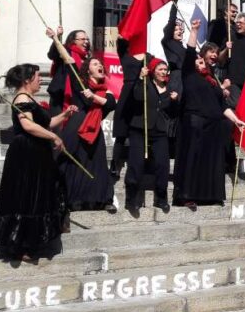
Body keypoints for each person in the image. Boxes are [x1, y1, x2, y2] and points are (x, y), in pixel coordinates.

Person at [0, 64, 74, 260]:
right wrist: (54, 138)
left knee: (36, 196)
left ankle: (31, 242)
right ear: (27, 80)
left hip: (36, 153)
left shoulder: (29, 99)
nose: (40, 80)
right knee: (25, 196)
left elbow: (44, 123)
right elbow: (28, 125)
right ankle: (20, 245)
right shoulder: (21, 98)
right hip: (26, 153)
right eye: (37, 76)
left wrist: (65, 114)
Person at [174, 20, 245, 209]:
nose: (211, 57)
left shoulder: (213, 80)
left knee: (212, 161)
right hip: (195, 122)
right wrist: (195, 31)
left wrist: (237, 120)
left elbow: (222, 105)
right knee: (192, 158)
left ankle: (210, 195)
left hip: (213, 125)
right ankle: (186, 195)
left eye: (215, 53)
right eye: (207, 55)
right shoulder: (189, 74)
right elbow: (190, 52)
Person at [59, 57, 116, 213]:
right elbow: (70, 65)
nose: (100, 66)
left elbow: (111, 104)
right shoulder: (81, 82)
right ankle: (70, 200)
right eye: (95, 64)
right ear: (87, 69)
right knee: (72, 163)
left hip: (94, 130)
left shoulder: (106, 90)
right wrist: (57, 38)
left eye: (101, 64)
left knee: (97, 164)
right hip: (77, 126)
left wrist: (94, 96)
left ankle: (102, 200)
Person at [128, 58, 179, 213]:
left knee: (163, 165)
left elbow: (172, 113)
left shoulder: (169, 89)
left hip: (159, 130)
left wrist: (175, 101)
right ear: (153, 70)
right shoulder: (145, 84)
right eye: (160, 69)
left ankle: (161, 198)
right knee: (136, 165)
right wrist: (140, 78)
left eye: (165, 70)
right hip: (140, 128)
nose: (164, 72)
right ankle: (132, 198)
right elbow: (136, 97)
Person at [110, 37, 148, 180]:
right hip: (127, 92)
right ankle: (115, 165)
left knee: (137, 132)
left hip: (140, 93)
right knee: (121, 133)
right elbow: (120, 39)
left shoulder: (146, 56)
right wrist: (126, 32)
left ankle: (138, 165)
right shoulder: (124, 53)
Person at [45, 27, 91, 115]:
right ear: (73, 41)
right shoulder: (66, 51)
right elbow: (52, 54)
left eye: (87, 39)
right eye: (82, 39)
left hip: (78, 96)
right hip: (60, 95)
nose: (86, 42)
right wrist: (57, 37)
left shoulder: (86, 58)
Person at [161, 0, 185, 95]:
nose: (180, 31)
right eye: (176, 30)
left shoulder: (183, 47)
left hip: (186, 78)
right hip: (176, 79)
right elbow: (171, 22)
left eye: (181, 29)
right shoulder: (168, 41)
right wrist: (175, 2)